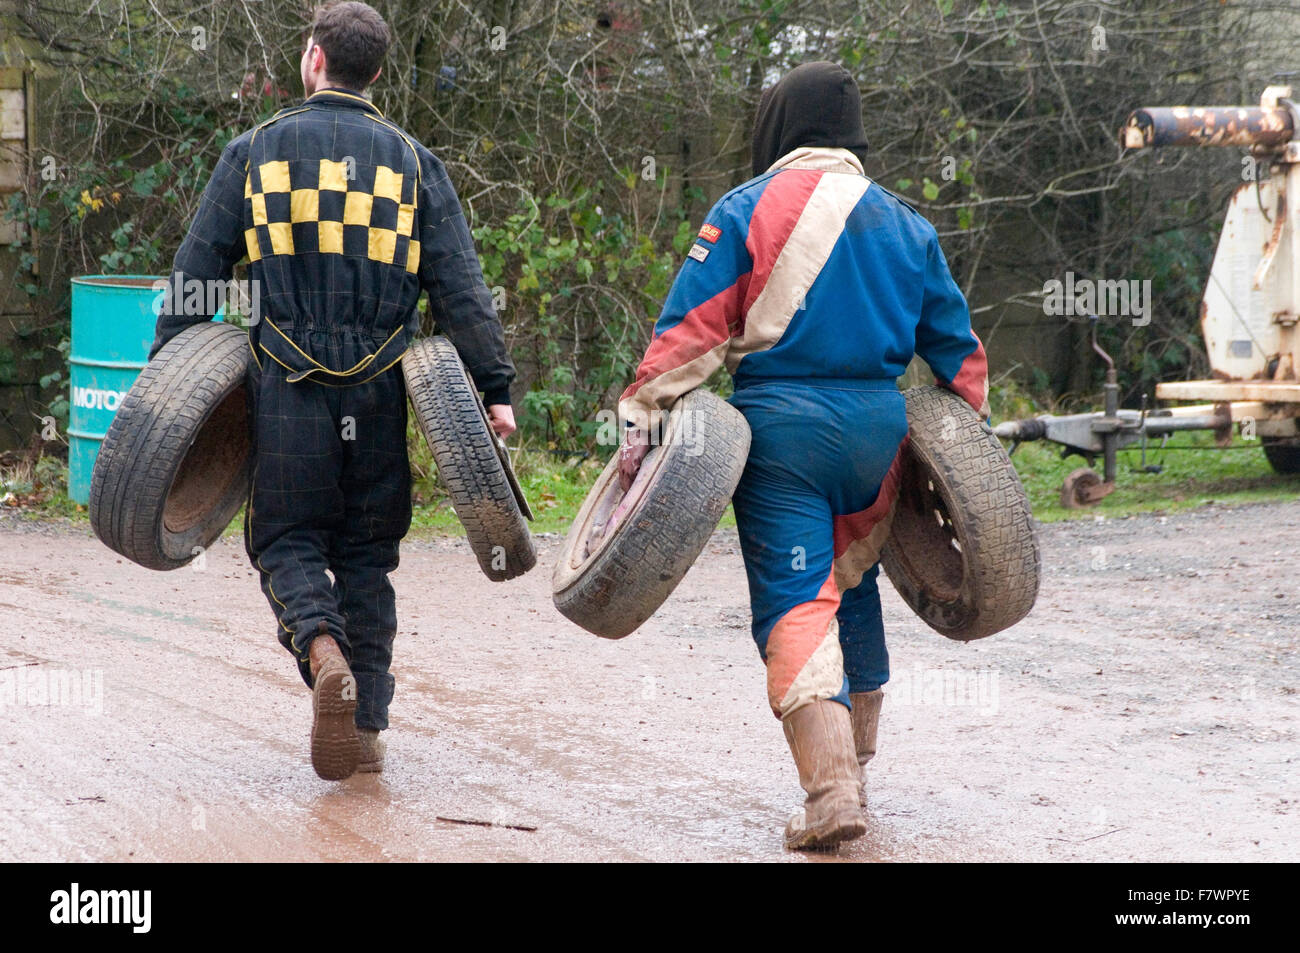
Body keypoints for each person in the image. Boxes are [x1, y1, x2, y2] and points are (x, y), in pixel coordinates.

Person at [617, 62, 989, 849]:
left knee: (794, 597)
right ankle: (857, 773)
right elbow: (959, 358)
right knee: (850, 588)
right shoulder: (907, 225)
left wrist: (640, 420)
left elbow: (691, 336)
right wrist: (962, 473)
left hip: (782, 434)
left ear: (780, 127)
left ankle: (829, 793)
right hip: (880, 435)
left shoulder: (744, 208)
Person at [149, 1, 517, 780]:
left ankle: (322, 653)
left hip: (286, 385)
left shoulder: (254, 153)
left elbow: (194, 279)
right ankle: (371, 728)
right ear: (377, 73)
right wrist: (494, 387)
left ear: (313, 59)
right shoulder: (416, 164)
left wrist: (168, 390)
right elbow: (461, 289)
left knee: (287, 540)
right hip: (381, 394)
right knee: (366, 555)